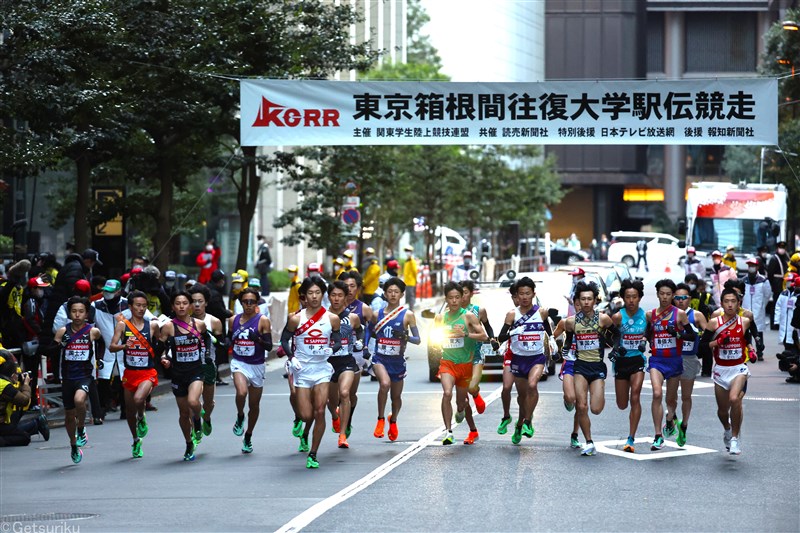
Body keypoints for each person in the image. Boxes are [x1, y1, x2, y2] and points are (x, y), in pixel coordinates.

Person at [280, 277, 340, 468]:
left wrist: (332, 349)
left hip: (321, 369)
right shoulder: (296, 318)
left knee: (320, 410)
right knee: (307, 415)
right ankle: (302, 424)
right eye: (310, 293)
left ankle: (313, 454)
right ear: (304, 295)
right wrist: (292, 357)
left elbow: (337, 340)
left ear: (323, 295)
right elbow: (283, 340)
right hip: (302, 370)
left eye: (318, 293)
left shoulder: (332, 318)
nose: (314, 297)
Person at [562, 281, 616, 456]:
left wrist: (616, 347)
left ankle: (597, 398)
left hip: (597, 367)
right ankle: (589, 441)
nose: (586, 302)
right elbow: (569, 339)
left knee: (595, 409)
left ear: (595, 301)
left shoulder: (603, 319)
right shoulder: (570, 322)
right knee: (582, 406)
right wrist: (563, 350)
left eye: (589, 299)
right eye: (583, 299)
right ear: (578, 300)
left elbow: (617, 335)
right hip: (580, 367)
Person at [496, 276, 553, 445]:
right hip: (518, 358)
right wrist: (514, 331)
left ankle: (527, 422)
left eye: (528, 293)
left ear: (533, 294)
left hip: (536, 357)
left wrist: (553, 344)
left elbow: (548, 332)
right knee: (522, 397)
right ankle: (519, 425)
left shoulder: (541, 312)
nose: (525, 297)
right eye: (521, 294)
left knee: (532, 385)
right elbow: (501, 336)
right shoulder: (512, 314)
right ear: (517, 296)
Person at [700, 288, 753, 455]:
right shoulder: (714, 323)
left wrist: (751, 348)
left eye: (733, 301)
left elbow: (747, 337)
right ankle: (728, 429)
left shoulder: (744, 321)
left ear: (738, 304)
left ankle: (735, 439)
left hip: (738, 368)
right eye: (726, 301)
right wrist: (718, 342)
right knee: (723, 411)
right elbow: (702, 348)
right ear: (722, 304)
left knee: (734, 399)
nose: (730, 305)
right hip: (721, 370)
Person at [109, 290, 161, 458]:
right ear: (130, 307)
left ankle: (142, 415)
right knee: (129, 412)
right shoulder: (123, 325)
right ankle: (136, 439)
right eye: (138, 305)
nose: (141, 309)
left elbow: (162, 341)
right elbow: (112, 346)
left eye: (144, 306)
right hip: (130, 373)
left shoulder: (151, 325)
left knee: (139, 400)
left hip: (148, 372)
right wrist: (125, 346)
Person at [367, 277, 420, 442]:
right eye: (389, 291)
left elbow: (418, 340)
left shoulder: (408, 315)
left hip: (397, 361)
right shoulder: (377, 314)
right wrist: (364, 345)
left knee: (396, 397)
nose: (392, 294)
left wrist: (405, 336)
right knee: (384, 384)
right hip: (380, 358)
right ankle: (380, 419)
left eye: (396, 292)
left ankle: (394, 420)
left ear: (402, 294)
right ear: (384, 294)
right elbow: (369, 330)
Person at [435, 282, 487, 445]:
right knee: (447, 393)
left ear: (462, 297)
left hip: (465, 365)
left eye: (457, 297)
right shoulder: (441, 317)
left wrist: (465, 334)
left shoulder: (468, 316)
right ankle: (448, 432)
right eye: (451, 298)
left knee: (461, 403)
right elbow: (434, 338)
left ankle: (462, 413)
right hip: (447, 363)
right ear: (446, 299)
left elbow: (483, 336)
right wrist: (441, 340)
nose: (454, 301)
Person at [160, 291, 210, 461]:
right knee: (182, 413)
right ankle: (189, 443)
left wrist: (207, 356)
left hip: (196, 371)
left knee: (193, 402)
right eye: (177, 303)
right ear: (173, 307)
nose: (181, 306)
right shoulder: (168, 326)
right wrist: (164, 358)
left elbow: (206, 341)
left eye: (184, 303)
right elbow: (163, 347)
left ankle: (197, 419)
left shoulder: (200, 325)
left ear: (190, 306)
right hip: (178, 373)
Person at [646, 279, 695, 451]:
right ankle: (658, 435)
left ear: (673, 295)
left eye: (668, 294)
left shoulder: (679, 314)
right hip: (657, 361)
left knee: (670, 400)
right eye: (662, 294)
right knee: (657, 393)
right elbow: (647, 334)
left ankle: (670, 419)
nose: (665, 297)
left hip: (674, 361)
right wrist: (642, 343)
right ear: (657, 294)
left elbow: (691, 336)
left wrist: (678, 334)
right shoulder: (650, 315)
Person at [53, 297, 103, 464]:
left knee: (79, 400)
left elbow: (101, 344)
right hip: (67, 377)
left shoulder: (92, 331)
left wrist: (100, 359)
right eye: (74, 311)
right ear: (69, 313)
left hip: (84, 375)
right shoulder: (62, 331)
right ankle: (73, 444)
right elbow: (52, 351)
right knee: (69, 415)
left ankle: (81, 428)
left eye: (81, 311)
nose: (77, 314)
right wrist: (60, 345)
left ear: (86, 313)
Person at [228, 287, 272, 454]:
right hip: (240, 363)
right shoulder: (233, 320)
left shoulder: (263, 321)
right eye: (245, 301)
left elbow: (268, 345)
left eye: (252, 302)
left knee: (254, 405)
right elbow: (229, 338)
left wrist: (258, 339)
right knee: (241, 393)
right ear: (241, 303)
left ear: (257, 303)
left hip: (257, 365)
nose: (248, 305)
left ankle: (248, 435)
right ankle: (240, 415)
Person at [610, 279, 648, 453]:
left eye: (634, 297)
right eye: (628, 297)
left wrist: (645, 340)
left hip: (637, 361)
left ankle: (631, 438)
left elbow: (651, 333)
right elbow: (611, 336)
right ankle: (630, 435)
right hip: (621, 363)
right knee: (622, 404)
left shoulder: (646, 317)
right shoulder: (618, 316)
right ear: (623, 298)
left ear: (639, 297)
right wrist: (616, 348)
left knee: (636, 396)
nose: (631, 300)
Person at [325, 280, 362, 449]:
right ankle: (334, 416)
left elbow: (360, 330)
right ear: (328, 296)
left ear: (346, 297)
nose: (336, 299)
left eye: (340, 295)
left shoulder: (352, 317)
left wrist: (360, 342)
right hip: (327, 363)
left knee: (345, 393)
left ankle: (342, 435)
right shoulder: (323, 317)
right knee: (331, 401)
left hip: (346, 361)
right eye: (333, 295)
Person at [673, 283, 707, 447]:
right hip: (671, 358)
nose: (680, 301)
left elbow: (708, 335)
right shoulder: (669, 314)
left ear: (690, 299)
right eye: (677, 298)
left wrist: (700, 338)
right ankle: (671, 418)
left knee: (686, 396)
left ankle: (684, 425)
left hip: (689, 359)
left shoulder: (697, 315)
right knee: (670, 397)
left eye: (684, 298)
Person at [340, 271, 373, 438]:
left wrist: (366, 347)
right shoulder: (334, 308)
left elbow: (372, 329)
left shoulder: (364, 309)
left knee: (350, 393)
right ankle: (337, 414)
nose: (350, 290)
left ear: (359, 288)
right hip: (336, 353)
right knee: (336, 395)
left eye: (353, 286)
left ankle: (347, 420)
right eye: (346, 286)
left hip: (355, 355)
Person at [188, 284, 225, 438]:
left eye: (200, 301)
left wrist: (210, 337)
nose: (197, 304)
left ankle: (206, 417)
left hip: (208, 365)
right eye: (194, 301)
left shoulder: (214, 322)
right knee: (192, 401)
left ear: (206, 303)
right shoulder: (183, 322)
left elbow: (222, 344)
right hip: (189, 366)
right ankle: (195, 429)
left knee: (208, 403)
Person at [460, 280, 495, 417]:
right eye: (459, 293)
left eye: (465, 293)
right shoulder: (450, 312)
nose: (462, 297)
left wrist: (492, 339)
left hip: (476, 355)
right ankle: (471, 429)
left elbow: (488, 328)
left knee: (472, 386)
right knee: (462, 397)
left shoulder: (479, 311)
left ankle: (476, 394)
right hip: (458, 357)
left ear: (471, 294)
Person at [0, 350, 50, 447]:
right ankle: (35, 424)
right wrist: (26, 385)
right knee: (24, 437)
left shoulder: (5, 383)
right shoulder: (4, 385)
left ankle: (35, 424)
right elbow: (24, 400)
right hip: (5, 420)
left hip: (5, 419)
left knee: (13, 429)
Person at [496, 282, 519, 436]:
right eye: (516, 296)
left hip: (530, 358)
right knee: (506, 387)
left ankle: (524, 421)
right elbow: (501, 335)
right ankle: (506, 416)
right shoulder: (511, 314)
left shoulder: (537, 314)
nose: (520, 299)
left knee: (526, 392)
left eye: (524, 294)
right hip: (512, 355)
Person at [742, 258, 771, 361]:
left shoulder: (763, 280)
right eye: (749, 265)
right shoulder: (744, 280)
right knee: (747, 333)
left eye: (753, 265)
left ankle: (760, 352)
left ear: (757, 267)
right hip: (746, 309)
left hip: (758, 310)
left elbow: (767, 294)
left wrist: (762, 305)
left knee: (758, 332)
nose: (751, 268)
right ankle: (748, 352)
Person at [767, 241, 790, 329]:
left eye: (783, 248)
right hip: (777, 284)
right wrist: (772, 286)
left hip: (784, 283)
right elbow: (770, 274)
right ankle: (773, 323)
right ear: (777, 248)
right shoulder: (774, 258)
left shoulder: (786, 257)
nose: (782, 249)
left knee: (783, 304)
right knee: (776, 304)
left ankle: (781, 323)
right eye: (781, 248)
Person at [775, 274, 799, 352]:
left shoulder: (797, 295)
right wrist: (777, 321)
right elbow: (778, 307)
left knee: (795, 347)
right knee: (786, 347)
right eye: (787, 281)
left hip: (795, 326)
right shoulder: (783, 293)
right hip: (784, 325)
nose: (788, 283)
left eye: (790, 281)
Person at [402, 246, 418, 311]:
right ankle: (408, 309)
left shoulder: (412, 261)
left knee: (411, 296)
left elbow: (415, 271)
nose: (407, 253)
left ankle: (411, 309)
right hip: (407, 281)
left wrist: (416, 280)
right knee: (408, 296)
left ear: (411, 252)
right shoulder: (407, 261)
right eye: (406, 251)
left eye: (408, 251)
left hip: (411, 281)